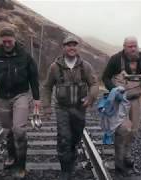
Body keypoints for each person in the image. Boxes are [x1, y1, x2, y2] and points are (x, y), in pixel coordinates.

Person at [0, 28, 40, 179]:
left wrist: (37, 99)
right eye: (4, 41)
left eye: (10, 41)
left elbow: (34, 78)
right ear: (1, 40)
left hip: (21, 95)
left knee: (19, 129)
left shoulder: (25, 56)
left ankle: (21, 165)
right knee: (8, 131)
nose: (7, 44)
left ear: (14, 40)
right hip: (2, 97)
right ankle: (11, 156)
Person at [42, 35, 99, 180]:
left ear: (77, 48)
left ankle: (72, 153)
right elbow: (47, 87)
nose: (72, 47)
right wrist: (47, 107)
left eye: (74, 45)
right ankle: (65, 169)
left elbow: (94, 83)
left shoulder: (85, 66)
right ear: (64, 47)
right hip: (62, 109)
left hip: (80, 108)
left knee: (75, 137)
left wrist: (91, 97)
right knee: (64, 138)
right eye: (68, 45)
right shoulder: (55, 67)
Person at [102, 36, 141, 177]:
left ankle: (127, 157)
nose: (133, 48)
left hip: (137, 100)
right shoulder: (115, 59)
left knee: (133, 131)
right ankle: (119, 162)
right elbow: (105, 78)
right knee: (123, 130)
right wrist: (114, 91)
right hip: (120, 101)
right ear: (124, 47)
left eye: (135, 46)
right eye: (130, 46)